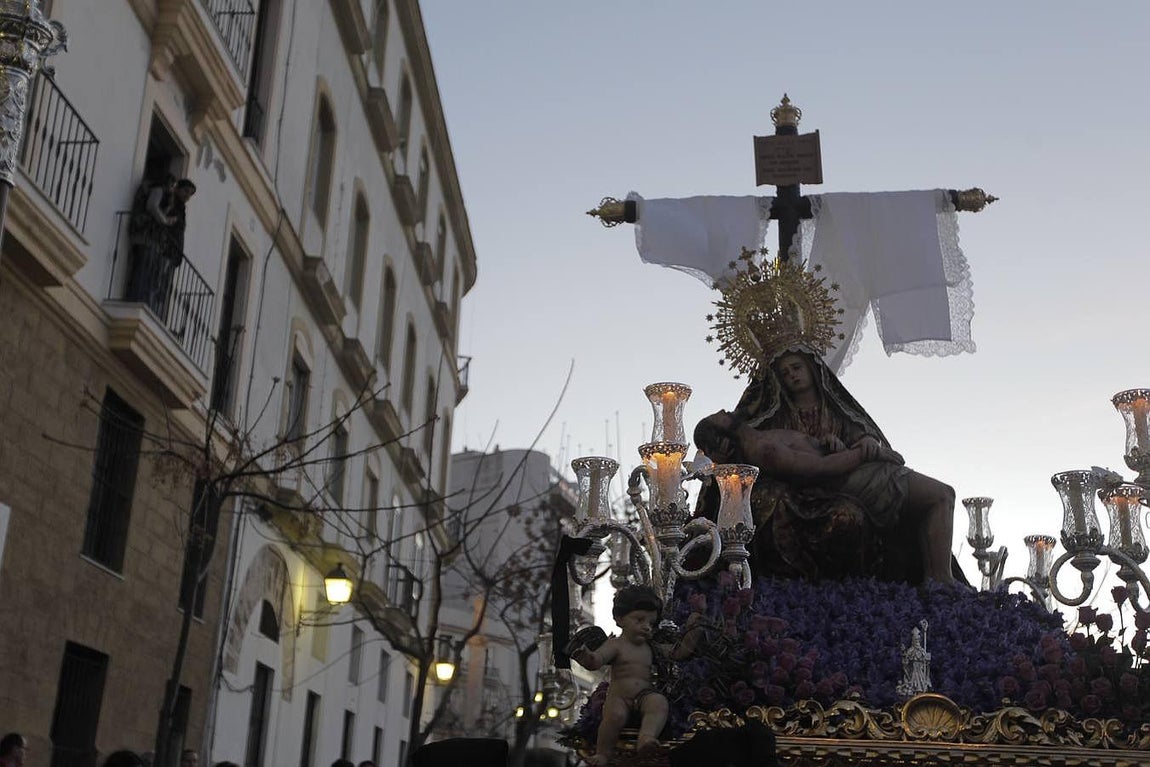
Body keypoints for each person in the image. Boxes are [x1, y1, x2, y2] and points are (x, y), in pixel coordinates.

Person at [695, 407, 957, 585]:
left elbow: (816, 452)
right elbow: (820, 470)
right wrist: (868, 453)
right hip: (855, 480)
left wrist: (833, 443)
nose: (723, 411)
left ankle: (938, 580)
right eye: (719, 418)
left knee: (940, 498)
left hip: (860, 468)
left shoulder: (762, 436)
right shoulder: (763, 450)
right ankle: (941, 582)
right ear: (723, 439)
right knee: (942, 496)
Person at [569, 585, 705, 765]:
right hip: (619, 696)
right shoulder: (616, 645)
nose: (646, 627)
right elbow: (597, 660)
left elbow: (678, 652)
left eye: (651, 623)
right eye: (639, 620)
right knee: (614, 718)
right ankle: (603, 753)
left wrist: (694, 628)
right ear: (620, 619)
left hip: (644, 695)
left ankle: (646, 738)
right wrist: (585, 656)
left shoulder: (651, 647)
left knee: (658, 703)